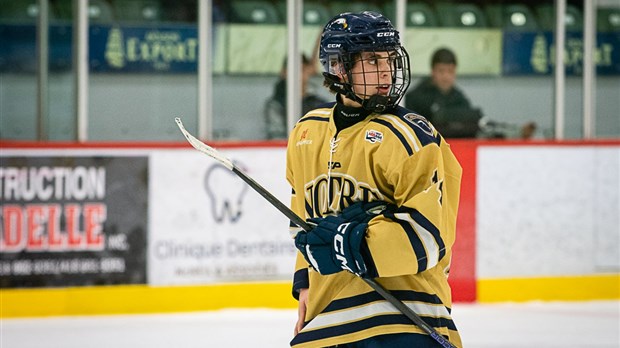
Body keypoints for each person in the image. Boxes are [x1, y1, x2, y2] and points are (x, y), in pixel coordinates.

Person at [287, 11, 463, 348]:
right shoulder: (305, 132)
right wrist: (305, 280)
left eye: (389, 59)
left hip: (404, 317)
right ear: (339, 67)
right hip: (327, 319)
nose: (386, 71)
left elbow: (429, 236)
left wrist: (349, 245)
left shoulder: (411, 136)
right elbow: (303, 221)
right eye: (372, 59)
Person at [405, 47, 536, 139]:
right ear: (433, 71)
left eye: (450, 71)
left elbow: (475, 120)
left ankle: (514, 132)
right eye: (441, 71)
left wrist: (444, 116)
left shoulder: (457, 96)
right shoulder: (416, 96)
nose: (446, 77)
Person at [264, 54, 328, 139]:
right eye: (293, 70)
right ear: (284, 72)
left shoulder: (319, 104)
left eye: (302, 69)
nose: (298, 74)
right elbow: (277, 137)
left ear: (308, 71)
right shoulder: (276, 105)